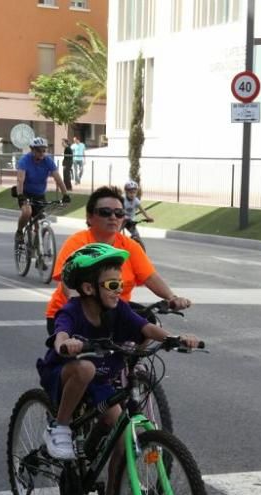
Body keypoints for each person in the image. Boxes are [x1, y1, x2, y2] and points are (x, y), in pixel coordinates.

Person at [37, 242, 201, 461]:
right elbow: (60, 336)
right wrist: (68, 344)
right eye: (113, 285)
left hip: (100, 379)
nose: (120, 291)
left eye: (121, 284)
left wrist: (174, 338)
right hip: (65, 375)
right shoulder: (72, 311)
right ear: (88, 289)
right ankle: (60, 426)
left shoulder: (119, 308)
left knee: (121, 434)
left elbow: (146, 327)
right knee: (85, 368)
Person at [45, 185, 190, 334]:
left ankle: (130, 358)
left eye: (119, 213)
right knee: (85, 357)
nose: (113, 217)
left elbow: (151, 277)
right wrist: (81, 315)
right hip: (72, 317)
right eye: (105, 212)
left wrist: (172, 298)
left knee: (149, 322)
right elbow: (69, 286)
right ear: (89, 217)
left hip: (115, 313)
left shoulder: (130, 246)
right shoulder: (78, 243)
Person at [15, 137, 68, 246]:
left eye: (44, 150)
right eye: (39, 150)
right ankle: (19, 231)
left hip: (39, 194)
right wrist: (20, 195)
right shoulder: (24, 161)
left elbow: (58, 178)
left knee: (39, 221)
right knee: (27, 212)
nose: (42, 153)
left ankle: (38, 249)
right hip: (25, 193)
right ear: (32, 150)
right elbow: (20, 180)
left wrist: (65, 194)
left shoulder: (48, 161)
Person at [121, 180, 154, 247]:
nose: (132, 194)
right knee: (114, 235)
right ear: (126, 192)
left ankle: (138, 249)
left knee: (137, 236)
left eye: (134, 192)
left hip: (130, 222)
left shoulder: (136, 200)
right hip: (121, 221)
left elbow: (142, 210)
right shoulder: (122, 199)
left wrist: (148, 217)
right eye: (130, 192)